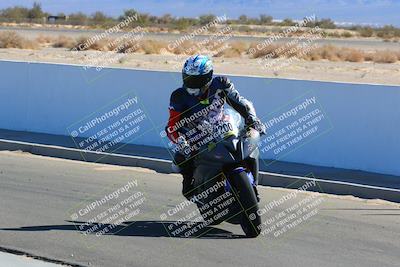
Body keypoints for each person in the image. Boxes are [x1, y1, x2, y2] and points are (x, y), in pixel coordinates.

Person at [165, 55, 266, 200]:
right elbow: (172, 125)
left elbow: (240, 102)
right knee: (180, 159)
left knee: (249, 141)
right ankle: (190, 182)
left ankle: (252, 185)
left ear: (208, 76)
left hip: (223, 127)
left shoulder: (221, 83)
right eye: (189, 79)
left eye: (197, 80)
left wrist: (253, 119)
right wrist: (181, 141)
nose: (192, 84)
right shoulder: (179, 96)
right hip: (195, 136)